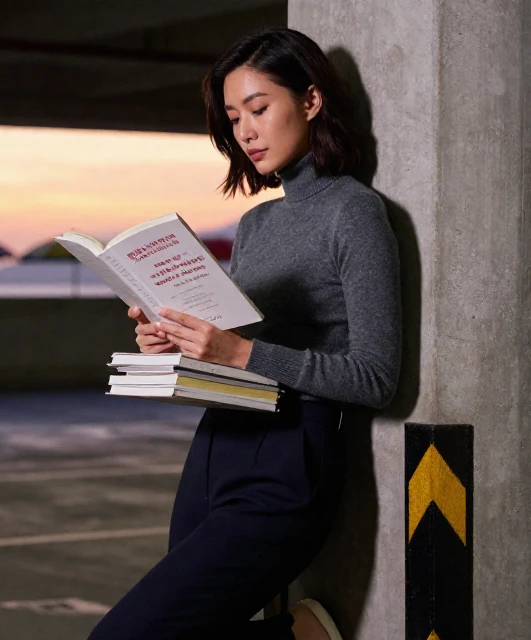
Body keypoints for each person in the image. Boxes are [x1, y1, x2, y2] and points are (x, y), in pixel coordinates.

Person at [86, 27, 402, 640]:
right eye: (233, 119)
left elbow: (375, 377)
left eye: (258, 109)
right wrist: (177, 340)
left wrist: (239, 351)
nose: (246, 131)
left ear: (311, 101)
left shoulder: (354, 213)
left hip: (292, 456)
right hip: (218, 445)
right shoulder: (256, 224)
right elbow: (237, 353)